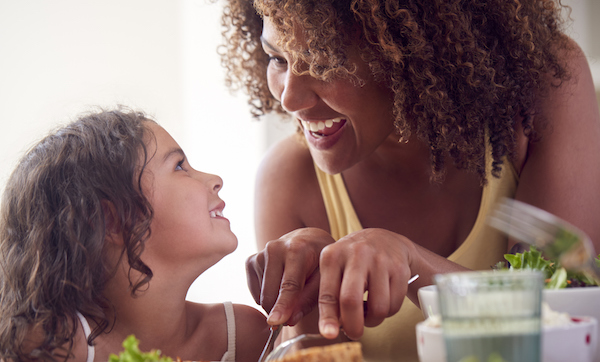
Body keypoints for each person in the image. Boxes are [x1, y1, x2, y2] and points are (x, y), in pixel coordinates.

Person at [220, 0, 600, 360]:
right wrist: (309, 290)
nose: (290, 99)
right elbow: (313, 355)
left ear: (411, 51)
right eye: (277, 58)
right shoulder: (289, 177)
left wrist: (413, 261)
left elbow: (564, 322)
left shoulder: (542, 89)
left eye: (326, 63)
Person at [0, 108, 270, 362]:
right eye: (179, 166)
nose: (215, 178)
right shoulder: (56, 345)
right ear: (113, 221)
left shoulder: (241, 335)